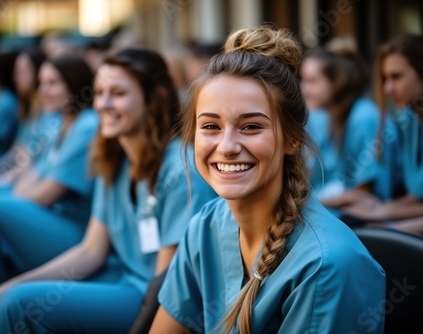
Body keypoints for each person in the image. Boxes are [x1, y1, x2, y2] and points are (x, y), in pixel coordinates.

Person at [151, 27, 385, 334]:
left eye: (250, 127)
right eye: (210, 126)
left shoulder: (327, 266)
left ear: (292, 140)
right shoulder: (205, 227)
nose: (227, 146)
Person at [0, 48, 217, 334]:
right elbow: (91, 250)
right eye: (99, 92)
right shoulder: (113, 160)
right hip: (115, 276)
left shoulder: (181, 169)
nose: (103, 103)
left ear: (155, 97)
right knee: (11, 299)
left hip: (151, 299)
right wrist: (9, 286)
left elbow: (165, 283)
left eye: (118, 93)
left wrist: (13, 295)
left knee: (17, 306)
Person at [0, 54, 97, 321]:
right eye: (42, 82)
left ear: (74, 84)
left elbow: (45, 193)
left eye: (53, 83)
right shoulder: (65, 121)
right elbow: (30, 173)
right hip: (51, 214)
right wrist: (16, 188)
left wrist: (16, 191)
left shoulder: (86, 125)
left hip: (74, 229)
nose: (43, 91)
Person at [343, 35, 423, 227]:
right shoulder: (411, 119)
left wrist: (391, 227)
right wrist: (379, 209)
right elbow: (421, 197)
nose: (388, 88)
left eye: (396, 77)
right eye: (384, 78)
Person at [300, 47, 381, 210]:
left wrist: (314, 200)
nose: (304, 89)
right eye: (303, 80)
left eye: (312, 81)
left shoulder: (363, 116)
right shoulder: (326, 117)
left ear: (336, 82)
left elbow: (363, 194)